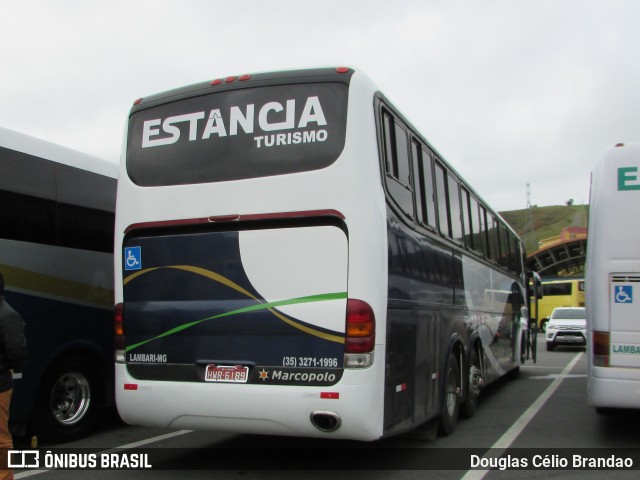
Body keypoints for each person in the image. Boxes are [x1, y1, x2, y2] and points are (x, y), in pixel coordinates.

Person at [0, 272, 27, 480]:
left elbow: (16, 352)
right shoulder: (8, 315)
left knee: (0, 438)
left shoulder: (7, 315)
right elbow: (16, 352)